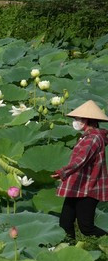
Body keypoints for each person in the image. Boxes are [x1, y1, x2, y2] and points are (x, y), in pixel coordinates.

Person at [52, 100, 108, 239]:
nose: (75, 121)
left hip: (89, 187)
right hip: (77, 185)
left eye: (78, 118)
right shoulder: (87, 137)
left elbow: (80, 160)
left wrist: (64, 171)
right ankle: (68, 249)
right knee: (65, 222)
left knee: (86, 228)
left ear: (87, 120)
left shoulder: (93, 139)